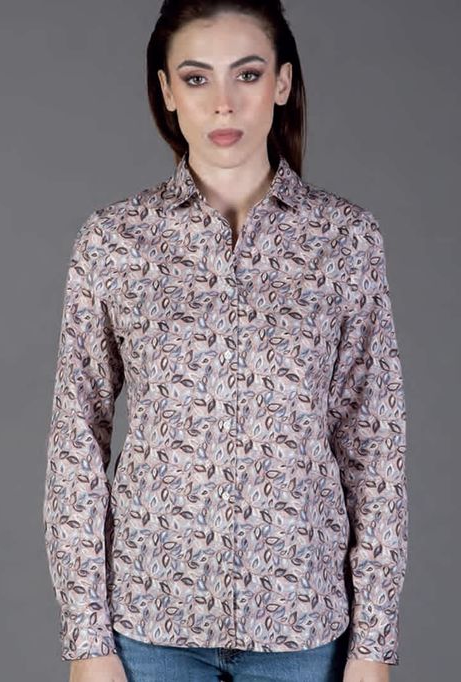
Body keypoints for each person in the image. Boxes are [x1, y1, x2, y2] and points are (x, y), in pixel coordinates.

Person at [42, 1, 409, 681]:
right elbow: (76, 441)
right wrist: (87, 639)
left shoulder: (344, 240)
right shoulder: (115, 241)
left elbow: (374, 448)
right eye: (196, 78)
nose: (223, 103)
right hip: (148, 627)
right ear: (166, 91)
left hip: (302, 627)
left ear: (282, 83)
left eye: (247, 74)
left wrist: (373, 646)